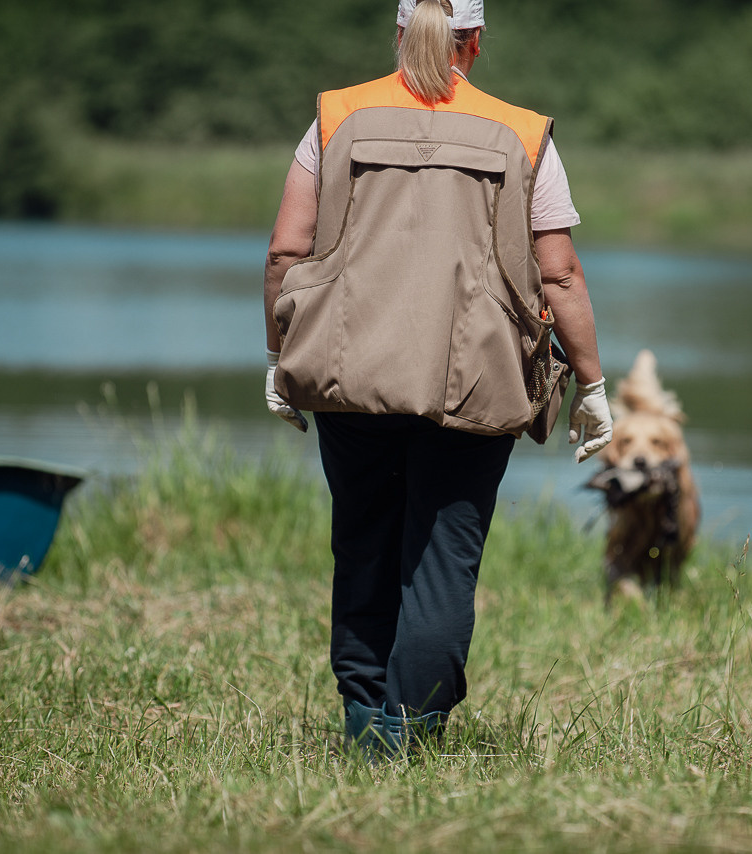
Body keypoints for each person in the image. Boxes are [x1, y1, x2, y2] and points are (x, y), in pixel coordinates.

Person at [262, 0, 612, 756]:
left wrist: (278, 356)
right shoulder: (523, 132)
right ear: (476, 42)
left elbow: (286, 252)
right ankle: (412, 733)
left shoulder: (335, 118)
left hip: (348, 374)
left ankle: (365, 727)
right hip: (477, 381)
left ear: (399, 34)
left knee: (363, 541)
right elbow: (560, 274)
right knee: (443, 557)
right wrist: (591, 385)